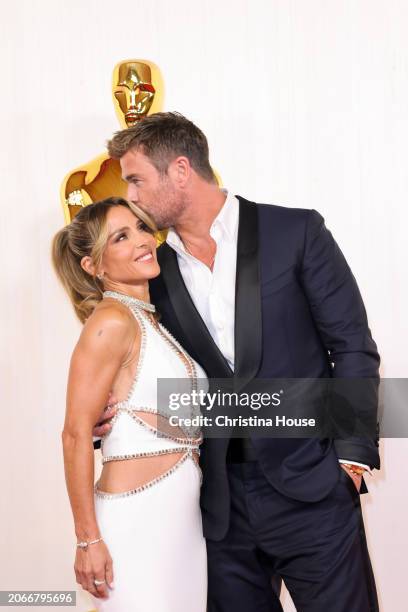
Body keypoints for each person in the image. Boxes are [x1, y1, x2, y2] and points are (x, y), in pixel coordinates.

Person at [93, 112, 381, 612]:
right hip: (219, 511)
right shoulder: (155, 276)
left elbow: (351, 345)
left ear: (180, 170)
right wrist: (106, 418)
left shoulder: (296, 231)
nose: (131, 195)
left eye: (136, 179)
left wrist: (350, 459)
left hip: (314, 492)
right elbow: (151, 371)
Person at [52, 197, 207, 611]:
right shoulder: (111, 322)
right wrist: (88, 540)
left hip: (182, 528)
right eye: (122, 236)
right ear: (94, 266)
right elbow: (74, 435)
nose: (143, 240)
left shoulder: (148, 320)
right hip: (137, 524)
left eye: (141, 228)